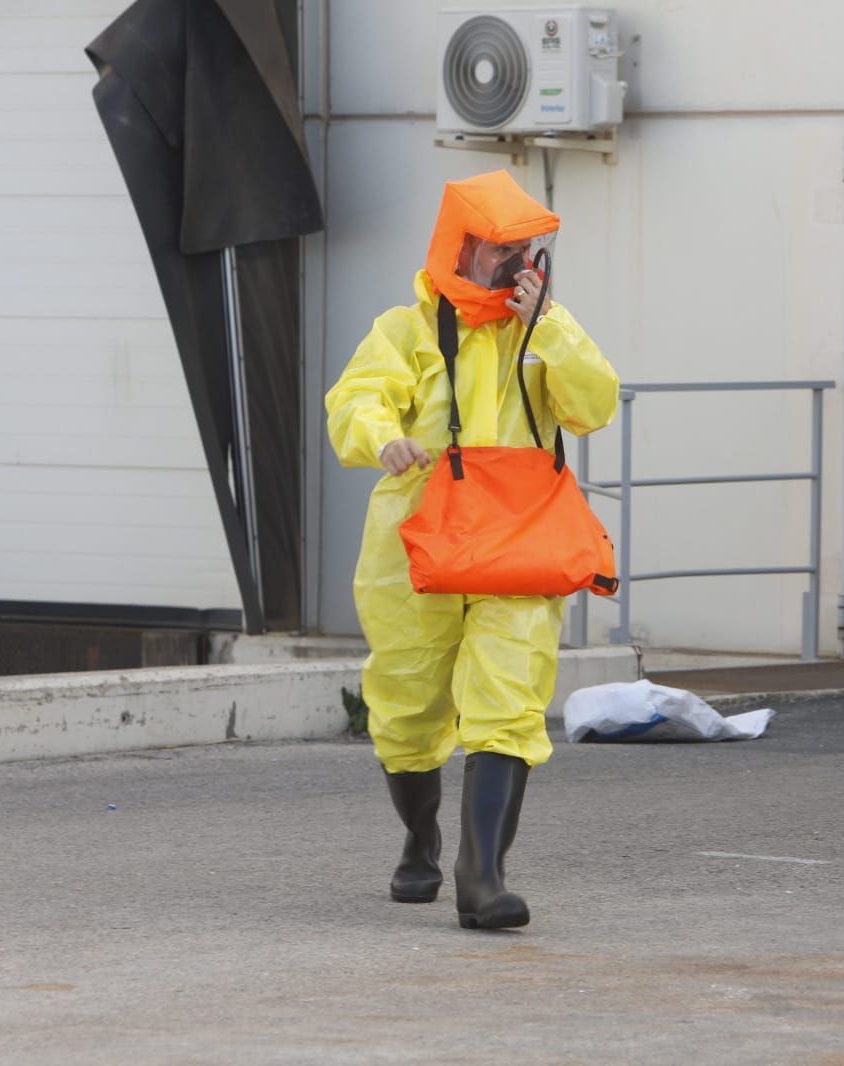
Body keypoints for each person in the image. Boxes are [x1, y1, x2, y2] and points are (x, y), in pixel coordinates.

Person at [325, 170, 618, 930]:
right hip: (418, 545)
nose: (519, 266)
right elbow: (355, 398)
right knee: (408, 707)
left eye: (529, 252)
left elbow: (594, 405)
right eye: (501, 252)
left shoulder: (545, 327)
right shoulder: (407, 329)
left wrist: (548, 325)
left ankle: (480, 878)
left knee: (509, 701)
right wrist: (381, 438)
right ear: (460, 250)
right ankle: (420, 840)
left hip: (518, 544)